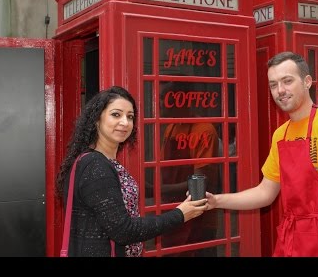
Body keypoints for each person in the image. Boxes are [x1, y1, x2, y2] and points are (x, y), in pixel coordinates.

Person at [205, 51, 318, 257]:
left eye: (287, 81)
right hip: (294, 242)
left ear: (307, 82)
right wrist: (217, 201)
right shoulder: (281, 134)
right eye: (273, 84)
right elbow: (265, 192)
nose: (280, 90)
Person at [55, 85, 207, 257]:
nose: (125, 122)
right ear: (97, 119)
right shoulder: (96, 166)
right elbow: (123, 230)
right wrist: (180, 214)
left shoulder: (102, 162)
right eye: (116, 114)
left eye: (130, 116)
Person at [159, 80, 220, 256]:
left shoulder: (204, 129)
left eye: (164, 97)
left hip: (200, 215)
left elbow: (200, 183)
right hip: (172, 211)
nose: (160, 103)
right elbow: (164, 170)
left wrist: (158, 190)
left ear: (180, 99)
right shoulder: (170, 128)